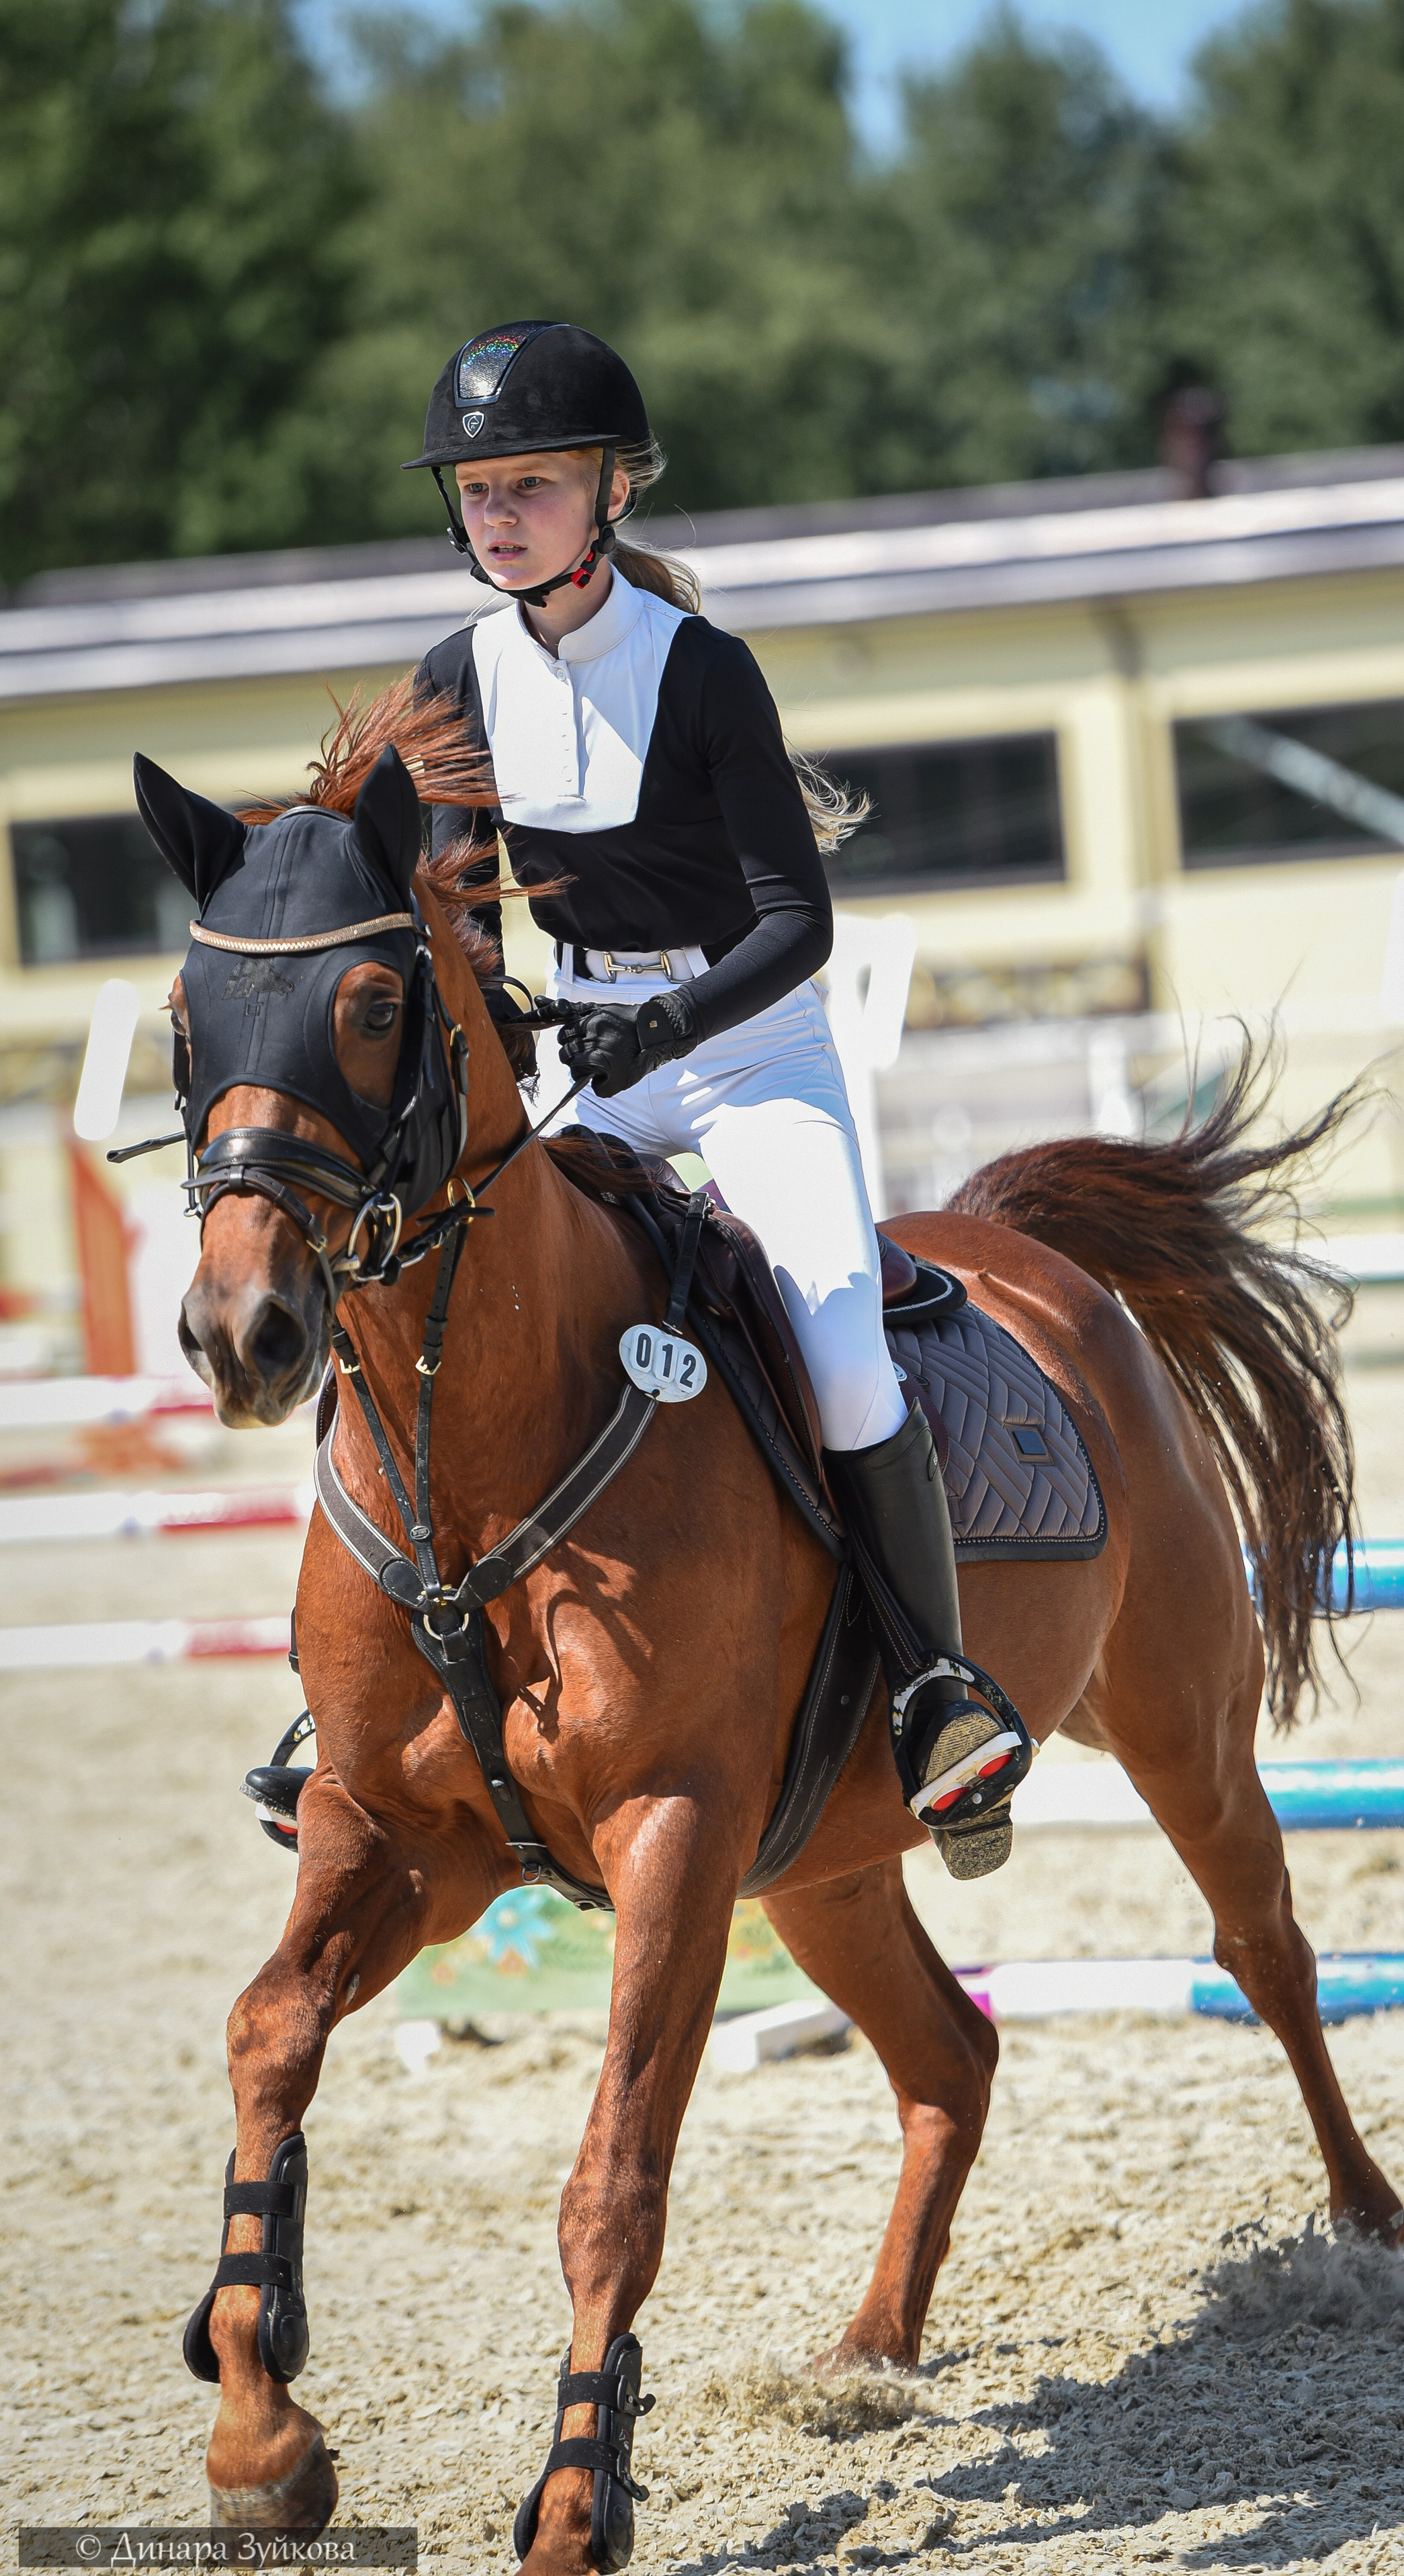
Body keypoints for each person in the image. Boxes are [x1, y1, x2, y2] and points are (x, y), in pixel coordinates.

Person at [404, 320, 1022, 1877]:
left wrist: (664, 1018)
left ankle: (938, 1694)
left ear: (610, 492)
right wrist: (512, 1012)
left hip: (745, 1049)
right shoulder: (451, 680)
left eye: (528, 485)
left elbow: (791, 922)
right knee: (447, 1315)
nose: (495, 514)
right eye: (475, 489)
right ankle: (377, 1695)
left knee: (835, 1335)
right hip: (582, 1061)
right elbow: (455, 916)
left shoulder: (701, 671)